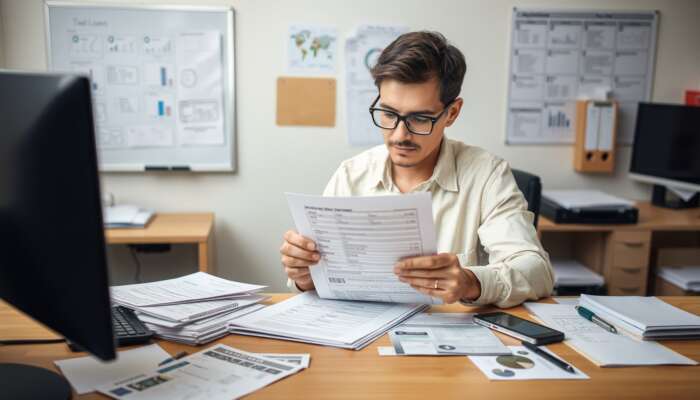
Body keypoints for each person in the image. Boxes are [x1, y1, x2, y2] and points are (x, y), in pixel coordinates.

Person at [280, 31, 553, 308]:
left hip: (449, 341)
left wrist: (471, 281)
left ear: (452, 113)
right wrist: (304, 275)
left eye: (420, 118)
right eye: (388, 113)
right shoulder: (351, 175)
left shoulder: (487, 175)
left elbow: (537, 271)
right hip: (362, 342)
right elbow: (315, 282)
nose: (399, 135)